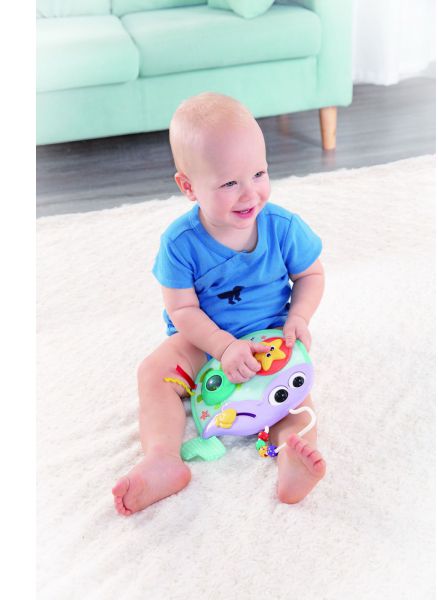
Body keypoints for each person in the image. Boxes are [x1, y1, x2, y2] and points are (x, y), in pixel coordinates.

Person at [112, 92, 326, 515]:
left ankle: (290, 454)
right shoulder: (179, 243)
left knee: (295, 397)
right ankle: (162, 459)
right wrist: (223, 346)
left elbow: (311, 275)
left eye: (259, 173)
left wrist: (298, 317)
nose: (250, 194)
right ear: (188, 187)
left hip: (269, 338)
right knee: (154, 372)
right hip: (201, 341)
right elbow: (182, 311)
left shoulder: (283, 227)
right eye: (229, 183)